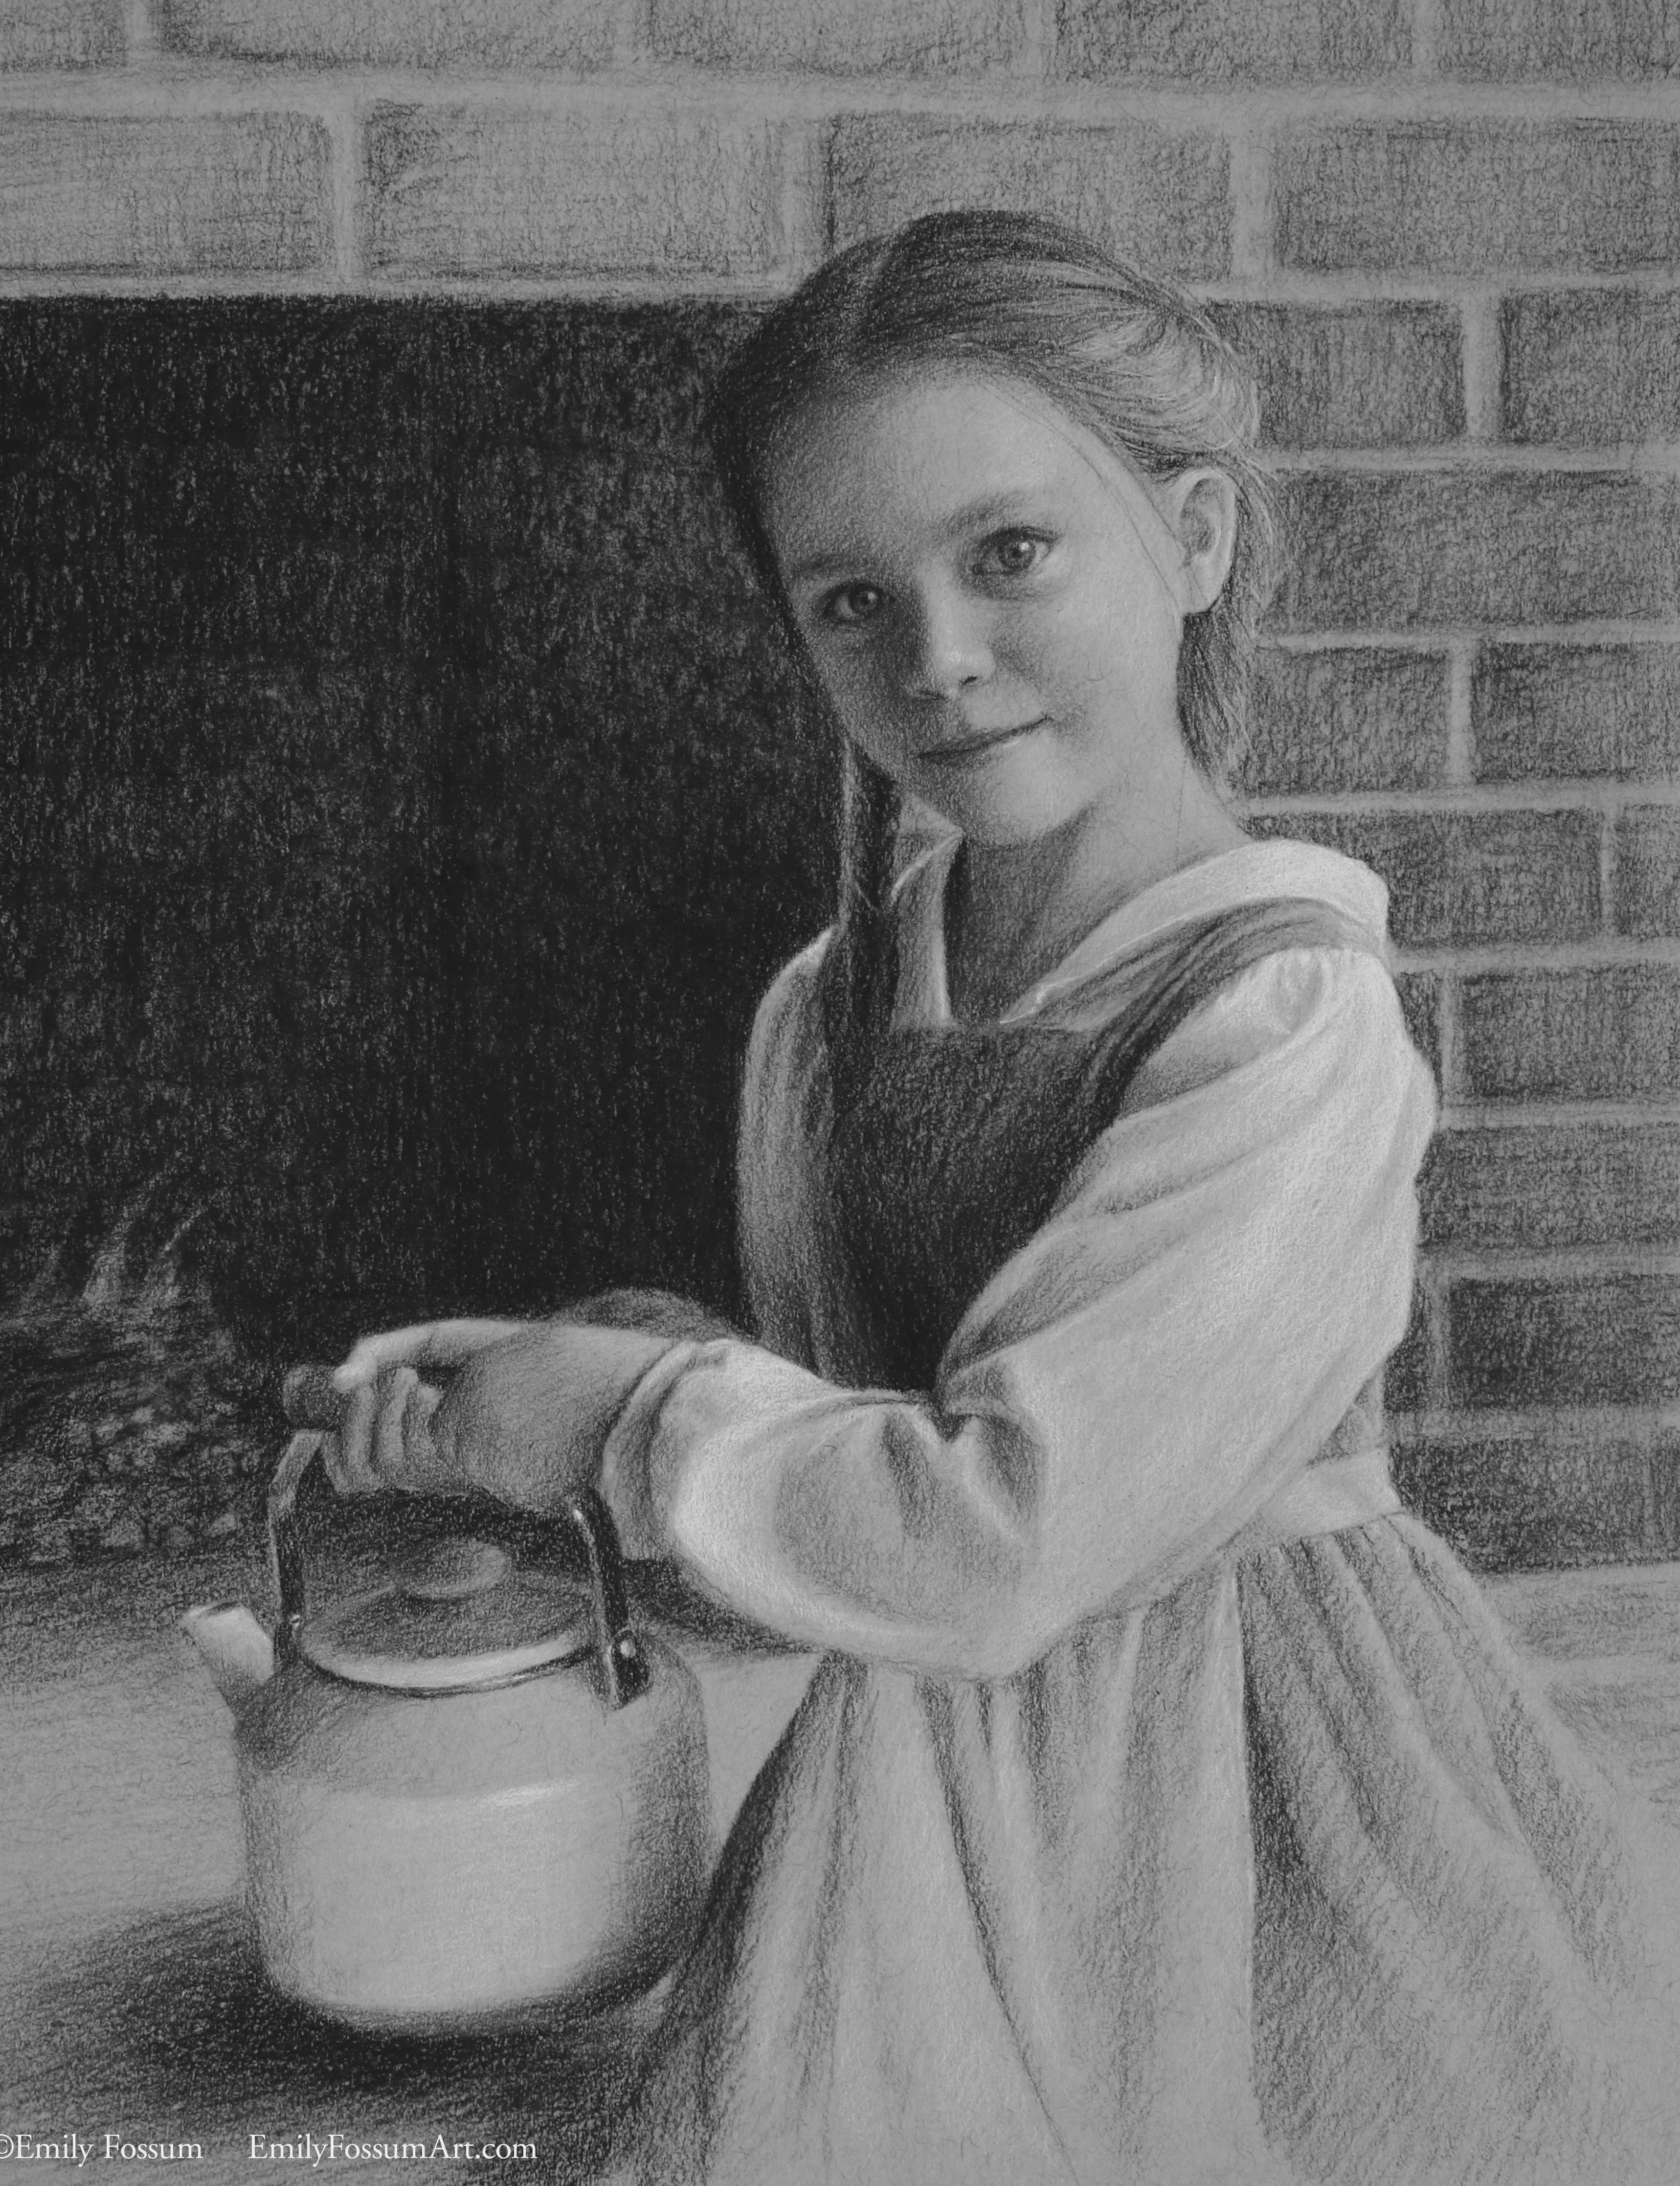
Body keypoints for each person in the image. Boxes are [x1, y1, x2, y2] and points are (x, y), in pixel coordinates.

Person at [326, 213, 1680, 2186]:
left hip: (1250, 1770)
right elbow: (851, 1434)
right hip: (926, 1775)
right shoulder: (835, 1001)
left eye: (1011, 554)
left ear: (1195, 539)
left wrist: (624, 1426)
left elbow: (1007, 1527)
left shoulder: (1282, 1019)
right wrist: (584, 1381)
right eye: (851, 600)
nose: (939, 660)